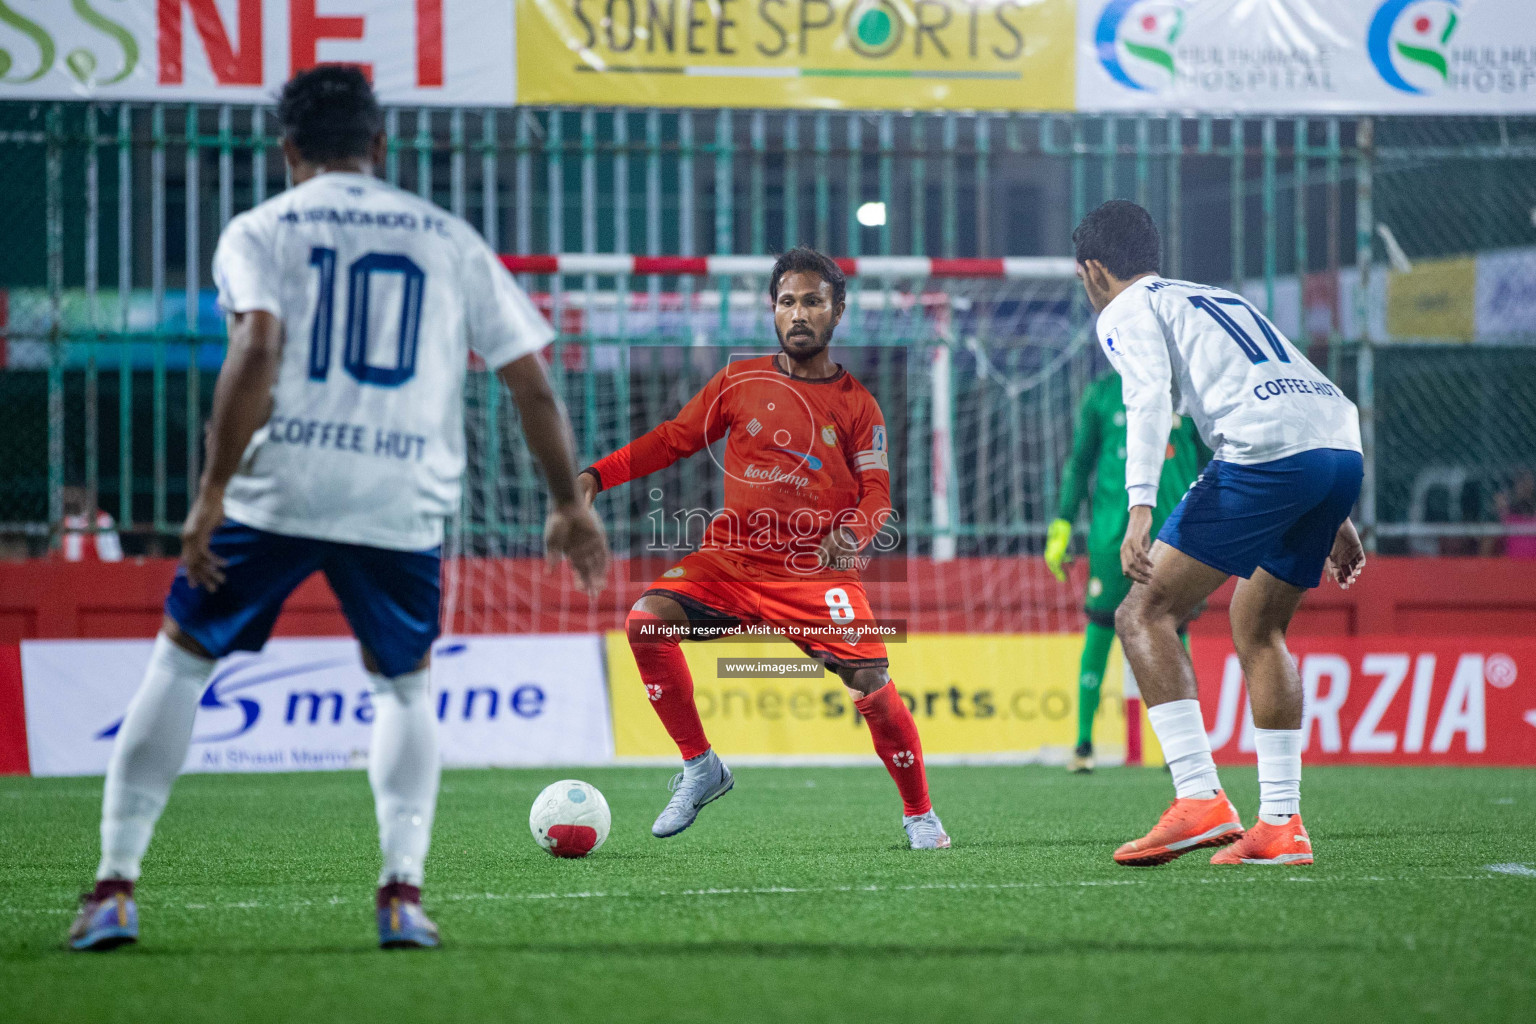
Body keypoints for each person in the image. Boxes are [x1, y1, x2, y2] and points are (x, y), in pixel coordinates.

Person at [67, 66, 609, 952]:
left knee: (179, 665)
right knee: (402, 686)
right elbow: (531, 385)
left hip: (281, 485)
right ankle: (402, 894)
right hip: (400, 495)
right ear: (380, 146)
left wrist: (209, 497)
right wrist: (566, 504)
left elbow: (257, 346)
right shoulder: (450, 237)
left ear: (287, 150)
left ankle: (116, 888)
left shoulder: (261, 228)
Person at [578, 246, 949, 850]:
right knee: (646, 621)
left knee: (872, 683)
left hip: (811, 571)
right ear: (772, 311)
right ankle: (701, 767)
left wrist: (851, 534)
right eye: (787, 302)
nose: (798, 313)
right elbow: (672, 439)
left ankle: (920, 814)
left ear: (838, 312)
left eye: (812, 301)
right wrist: (596, 475)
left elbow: (877, 494)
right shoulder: (738, 381)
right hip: (730, 560)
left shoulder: (859, 405)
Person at [1073, 200, 1364, 868]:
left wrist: (1139, 504)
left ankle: (1200, 798)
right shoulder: (1214, 296)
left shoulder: (1124, 308)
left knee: (1144, 612)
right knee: (1259, 625)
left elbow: (1146, 397)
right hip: (1336, 450)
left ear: (1092, 270)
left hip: (1268, 457)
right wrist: (1334, 507)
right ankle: (1282, 826)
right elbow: (1288, 387)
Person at [1046, 373, 1208, 773]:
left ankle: (1183, 752)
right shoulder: (1101, 393)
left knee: (1174, 632)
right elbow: (1080, 462)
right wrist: (1062, 523)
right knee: (1101, 629)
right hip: (1110, 535)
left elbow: (1213, 464)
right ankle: (1084, 744)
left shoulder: (1189, 392)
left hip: (1175, 535)